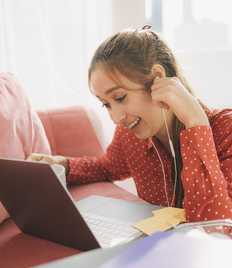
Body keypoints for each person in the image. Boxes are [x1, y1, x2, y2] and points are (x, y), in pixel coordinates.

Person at [27, 26, 232, 223]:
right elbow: (106, 168)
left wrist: (195, 124)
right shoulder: (130, 135)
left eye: (120, 97)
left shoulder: (226, 130)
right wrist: (61, 164)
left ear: (157, 78)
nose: (116, 118)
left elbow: (217, 230)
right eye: (106, 105)